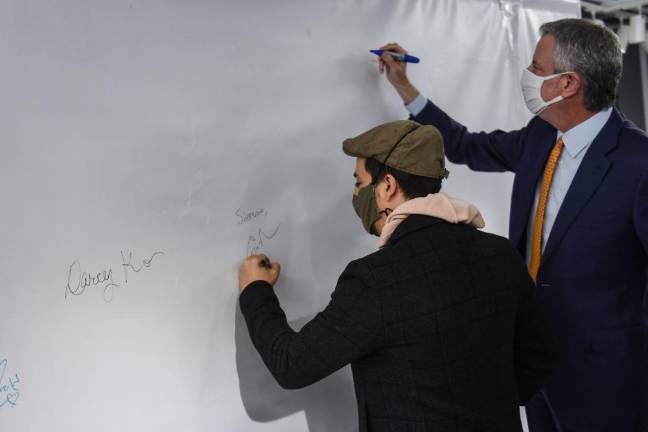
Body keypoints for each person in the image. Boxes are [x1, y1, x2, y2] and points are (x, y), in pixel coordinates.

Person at [376, 18, 648, 432]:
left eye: (537, 69)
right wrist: (404, 88)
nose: (529, 75)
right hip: (535, 367)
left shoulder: (638, 162)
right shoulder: (541, 134)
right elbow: (467, 145)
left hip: (609, 380)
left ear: (568, 83)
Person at [237, 120, 556, 432]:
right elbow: (538, 359)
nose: (356, 194)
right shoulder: (500, 255)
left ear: (387, 186)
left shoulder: (374, 280)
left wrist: (256, 290)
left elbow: (291, 365)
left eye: (360, 183)